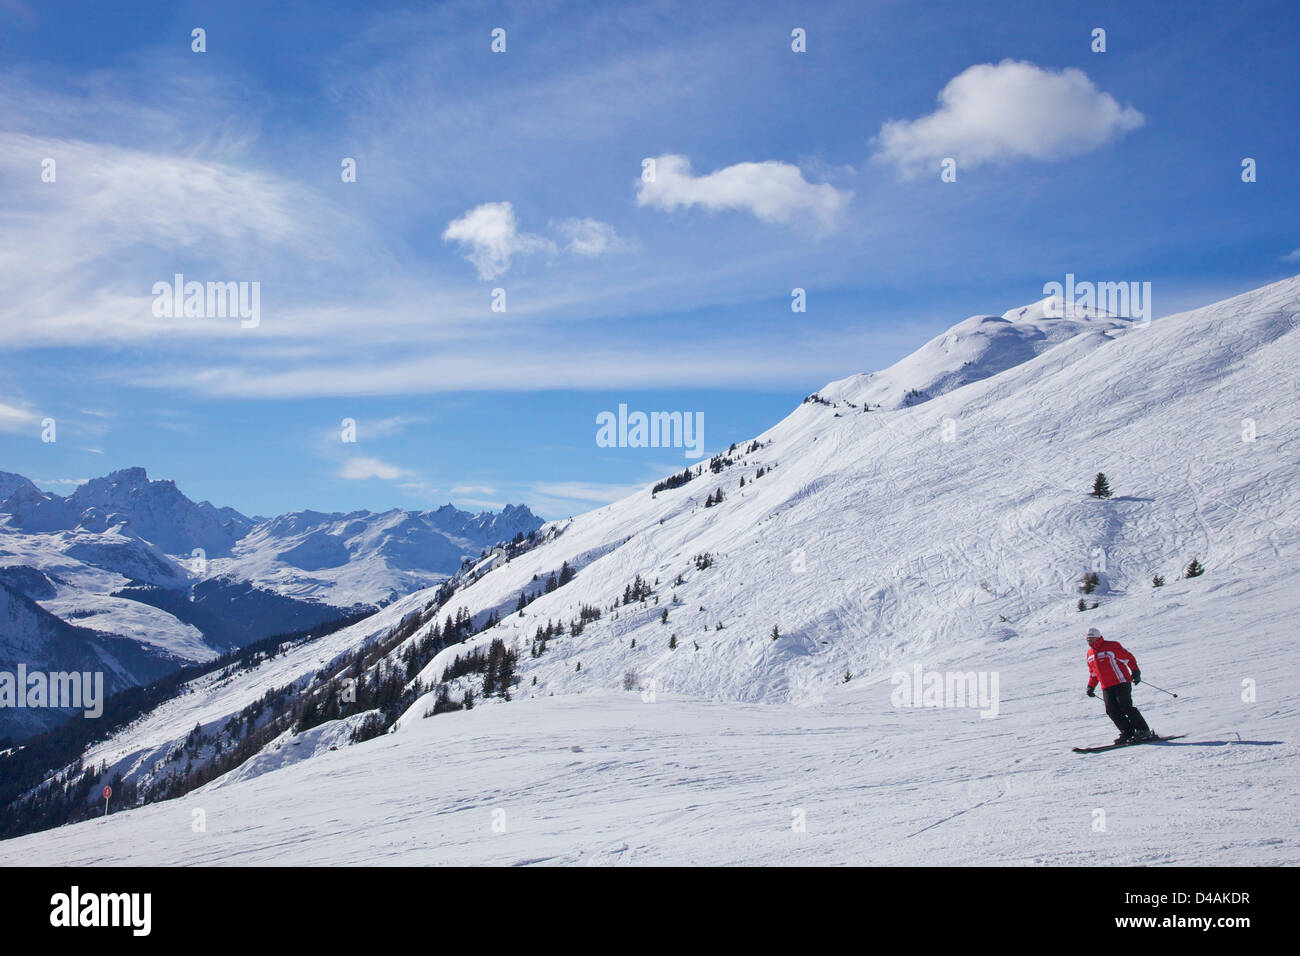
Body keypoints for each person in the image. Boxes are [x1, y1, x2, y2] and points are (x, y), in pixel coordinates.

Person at [1084, 627, 1155, 745]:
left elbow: (1128, 658)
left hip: (1121, 681)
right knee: (1111, 710)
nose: (1089, 642)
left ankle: (1143, 731)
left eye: (1091, 639)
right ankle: (1127, 732)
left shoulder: (1111, 646)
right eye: (1087, 639)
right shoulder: (1090, 654)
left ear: (1097, 637)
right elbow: (1093, 673)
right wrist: (1091, 686)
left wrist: (1135, 672)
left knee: (1125, 706)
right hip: (1106, 686)